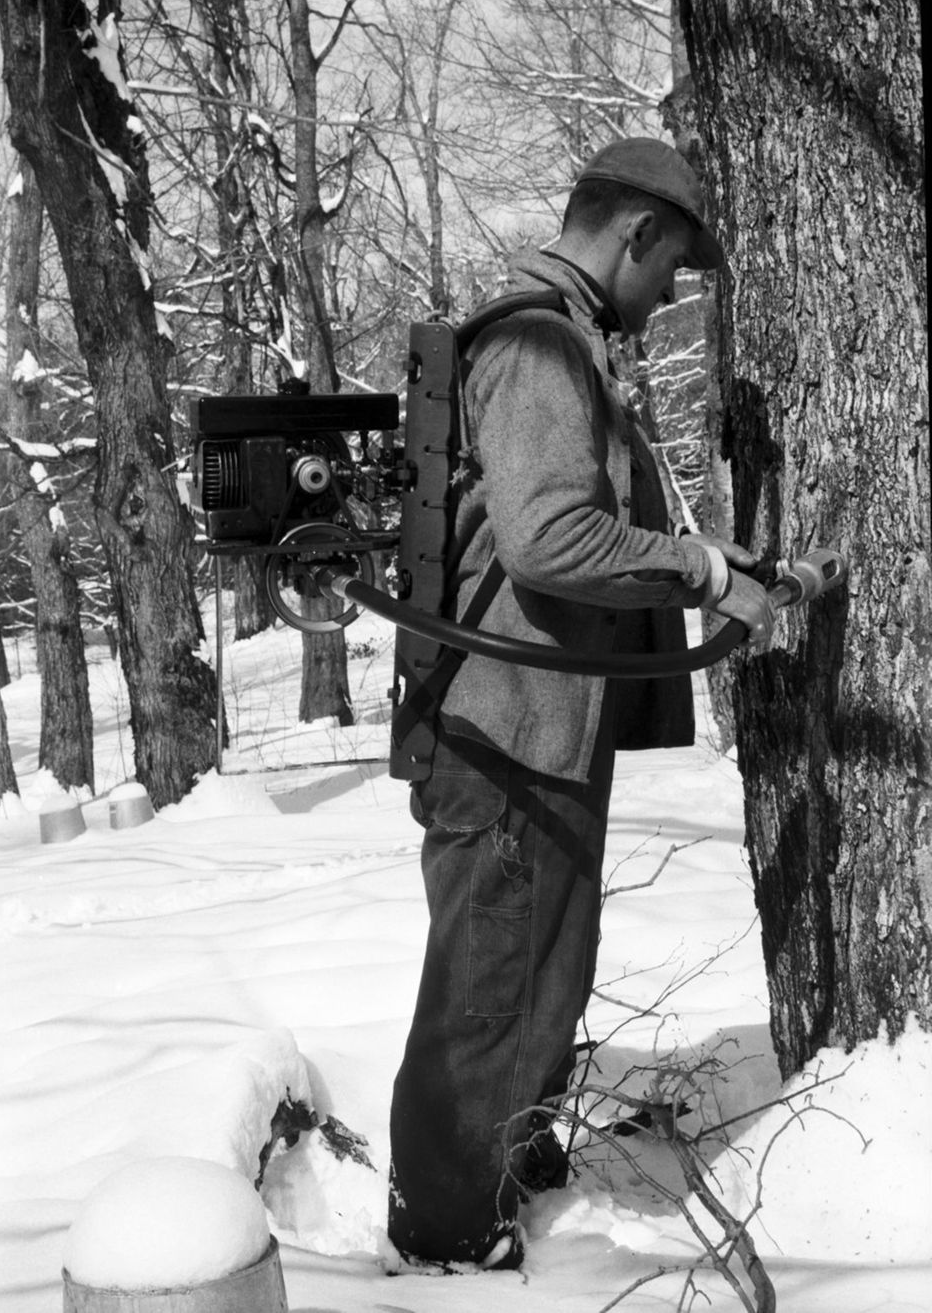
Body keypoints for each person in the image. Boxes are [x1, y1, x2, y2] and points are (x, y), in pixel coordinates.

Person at [386, 137, 776, 1274]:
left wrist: (696, 557)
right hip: (505, 733)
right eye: (671, 268)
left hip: (529, 728)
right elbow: (551, 537)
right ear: (636, 233)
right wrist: (697, 569)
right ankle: (448, 1253)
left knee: (533, 972)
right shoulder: (539, 343)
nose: (665, 296)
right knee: (490, 994)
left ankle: (502, 1178)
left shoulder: (557, 341)